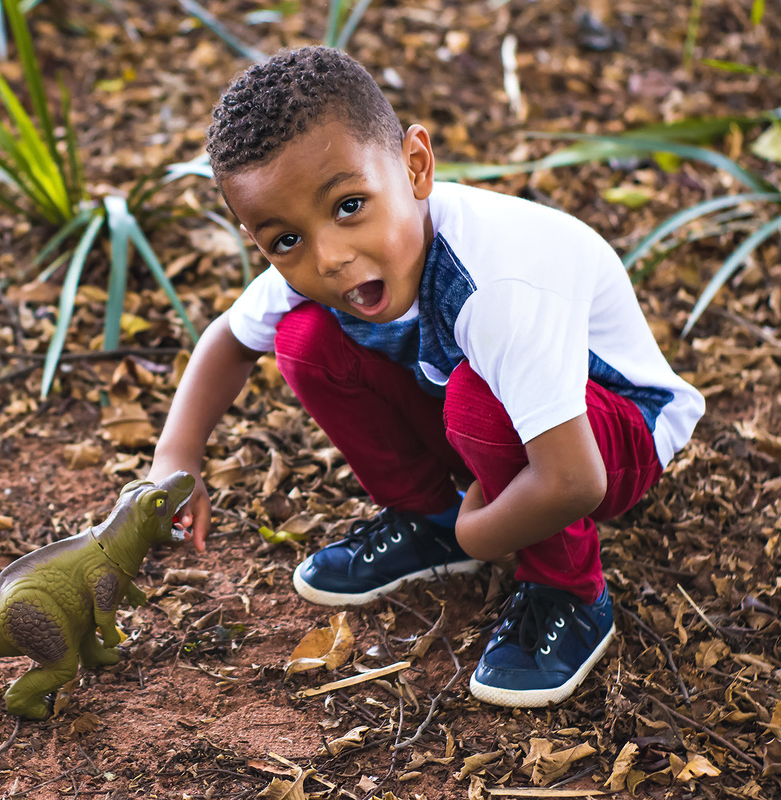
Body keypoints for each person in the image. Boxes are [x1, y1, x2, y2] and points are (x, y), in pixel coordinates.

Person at [145, 45, 704, 708]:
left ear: (415, 166)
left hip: (617, 434)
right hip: (511, 427)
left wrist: (483, 532)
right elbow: (229, 342)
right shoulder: (335, 264)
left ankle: (570, 593)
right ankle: (428, 519)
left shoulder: (494, 285)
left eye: (350, 205)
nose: (329, 256)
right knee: (305, 339)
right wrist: (174, 461)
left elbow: (575, 480)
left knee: (476, 398)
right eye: (285, 240)